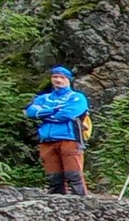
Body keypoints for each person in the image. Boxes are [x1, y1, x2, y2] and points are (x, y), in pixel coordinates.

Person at [24, 66, 90, 195]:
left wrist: (45, 114)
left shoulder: (77, 97)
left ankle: (81, 203)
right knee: (53, 177)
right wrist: (53, 111)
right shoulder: (44, 98)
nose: (58, 80)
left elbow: (68, 114)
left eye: (62, 77)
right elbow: (31, 112)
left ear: (68, 80)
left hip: (69, 139)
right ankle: (56, 204)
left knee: (74, 175)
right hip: (47, 140)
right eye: (55, 77)